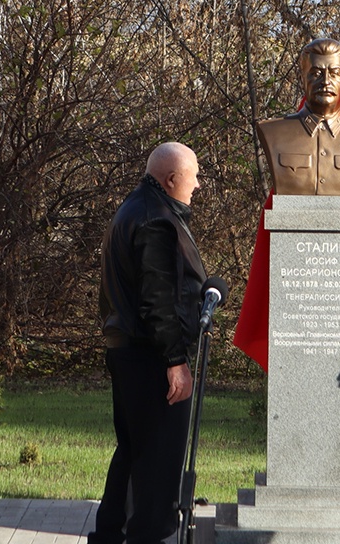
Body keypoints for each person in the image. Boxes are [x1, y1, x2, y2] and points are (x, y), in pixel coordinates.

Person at [88, 142, 208, 544]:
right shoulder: (155, 219)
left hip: (128, 350)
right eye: (193, 174)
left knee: (134, 451)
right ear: (171, 179)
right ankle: (148, 535)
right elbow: (157, 298)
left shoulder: (135, 208)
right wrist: (175, 359)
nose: (198, 183)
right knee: (157, 461)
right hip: (150, 356)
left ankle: (108, 534)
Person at [256, 37, 340, 196]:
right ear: (302, 78)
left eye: (334, 73)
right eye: (316, 73)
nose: (325, 81)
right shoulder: (274, 132)